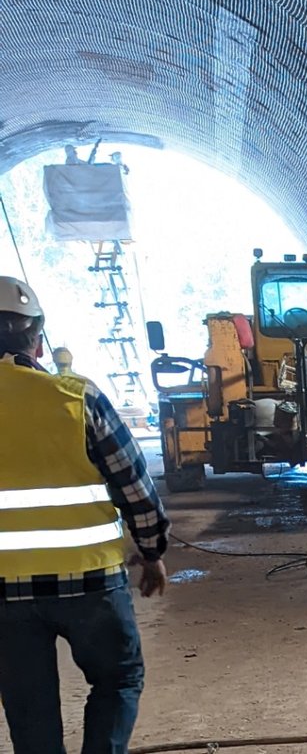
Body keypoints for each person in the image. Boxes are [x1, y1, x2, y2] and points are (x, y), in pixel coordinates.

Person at [0, 276, 170, 754]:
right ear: (36, 338)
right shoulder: (76, 398)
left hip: (3, 595)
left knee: (28, 704)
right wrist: (152, 552)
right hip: (90, 581)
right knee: (118, 680)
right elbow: (135, 487)